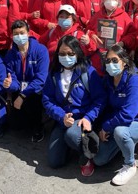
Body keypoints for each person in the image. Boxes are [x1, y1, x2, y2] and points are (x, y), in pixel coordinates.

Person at [43, 35, 104, 174]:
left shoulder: (87, 71)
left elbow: (100, 99)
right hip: (63, 119)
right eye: (62, 54)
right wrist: (61, 116)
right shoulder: (54, 73)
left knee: (72, 135)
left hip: (83, 119)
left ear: (77, 53)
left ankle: (87, 155)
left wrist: (88, 117)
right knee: (54, 162)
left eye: (70, 54)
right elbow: (47, 99)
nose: (66, 57)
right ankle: (73, 145)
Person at [92, 44, 138, 185]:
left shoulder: (133, 80)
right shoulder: (108, 80)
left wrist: (106, 126)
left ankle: (130, 164)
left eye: (114, 60)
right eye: (107, 61)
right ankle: (125, 145)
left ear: (124, 62)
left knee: (120, 132)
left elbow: (128, 114)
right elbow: (106, 106)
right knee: (99, 160)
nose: (110, 64)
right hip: (117, 122)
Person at [2, 20, 50, 142]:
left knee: (32, 102)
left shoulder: (41, 50)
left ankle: (39, 126)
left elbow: (41, 79)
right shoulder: (10, 54)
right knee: (16, 126)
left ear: (28, 33)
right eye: (16, 34)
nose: (19, 36)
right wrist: (9, 84)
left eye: (22, 33)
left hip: (36, 90)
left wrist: (22, 96)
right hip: (19, 89)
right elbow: (11, 77)